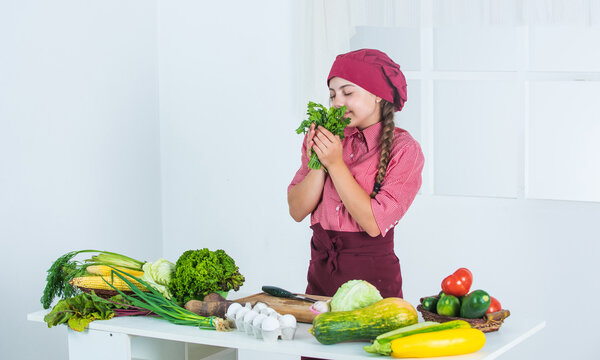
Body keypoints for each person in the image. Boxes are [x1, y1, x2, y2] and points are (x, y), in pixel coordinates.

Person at [287, 49, 425, 301]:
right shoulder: (326, 139)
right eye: (332, 95)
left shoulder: (405, 150)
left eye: (348, 92)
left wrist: (336, 164)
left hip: (373, 285)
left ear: (378, 96)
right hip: (321, 277)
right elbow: (296, 210)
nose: (337, 102)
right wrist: (319, 162)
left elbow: (373, 224)